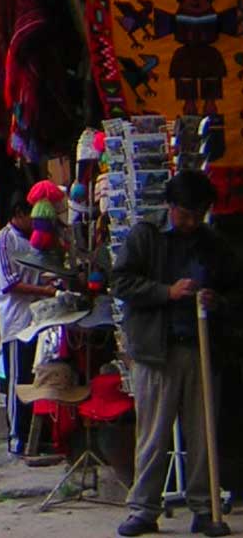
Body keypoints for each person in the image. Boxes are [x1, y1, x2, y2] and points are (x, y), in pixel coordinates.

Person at [114, 171, 240, 538]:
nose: (190, 222)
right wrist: (165, 292)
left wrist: (218, 301)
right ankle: (144, 508)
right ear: (170, 207)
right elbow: (122, 281)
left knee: (203, 436)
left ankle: (205, 508)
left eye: (197, 215)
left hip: (201, 347)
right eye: (185, 214)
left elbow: (236, 288)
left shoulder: (213, 243)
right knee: (154, 435)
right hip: (158, 349)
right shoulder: (146, 236)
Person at [0, 196, 56, 454]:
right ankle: (16, 435)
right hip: (16, 319)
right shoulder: (4, 240)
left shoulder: (34, 239)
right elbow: (9, 284)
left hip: (38, 316)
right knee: (19, 378)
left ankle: (35, 436)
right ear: (19, 213)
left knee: (36, 377)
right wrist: (44, 290)